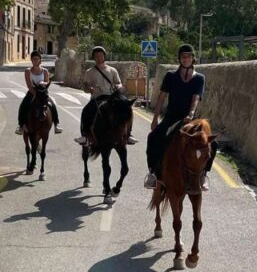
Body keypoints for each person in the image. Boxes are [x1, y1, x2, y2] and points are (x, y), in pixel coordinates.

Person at [144, 44, 216, 191]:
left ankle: (203, 175)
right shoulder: (170, 76)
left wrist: (190, 113)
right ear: (179, 58)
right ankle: (152, 173)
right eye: (183, 56)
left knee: (213, 144)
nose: (186, 59)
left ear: (193, 58)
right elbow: (161, 97)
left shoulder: (199, 78)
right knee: (153, 137)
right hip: (171, 117)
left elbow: (196, 97)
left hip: (190, 120)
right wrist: (155, 118)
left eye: (188, 56)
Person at [74, 46, 138, 145]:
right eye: (96, 56)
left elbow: (119, 83)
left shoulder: (112, 70)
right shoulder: (89, 72)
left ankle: (128, 134)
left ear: (104, 56)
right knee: (86, 111)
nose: (99, 58)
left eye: (101, 56)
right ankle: (85, 135)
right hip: (97, 98)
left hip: (111, 97)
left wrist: (118, 86)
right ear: (94, 58)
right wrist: (89, 89)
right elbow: (85, 87)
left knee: (127, 109)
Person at [15, 50, 63, 135]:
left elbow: (47, 82)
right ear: (31, 60)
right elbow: (29, 85)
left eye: (37, 59)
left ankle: (56, 124)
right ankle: (21, 125)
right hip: (32, 92)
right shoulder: (28, 71)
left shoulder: (45, 71)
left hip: (43, 93)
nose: (35, 61)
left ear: (40, 60)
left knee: (52, 104)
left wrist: (43, 83)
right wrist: (35, 94)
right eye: (33, 59)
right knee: (23, 105)